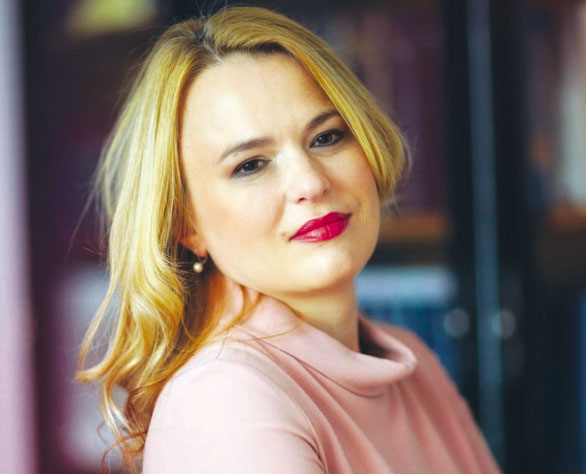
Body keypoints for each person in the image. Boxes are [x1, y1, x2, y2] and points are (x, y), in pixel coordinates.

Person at [77, 6, 500, 474]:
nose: (311, 183)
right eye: (250, 165)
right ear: (186, 226)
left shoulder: (412, 363)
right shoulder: (226, 402)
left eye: (327, 137)